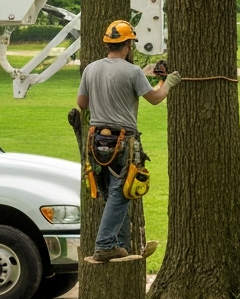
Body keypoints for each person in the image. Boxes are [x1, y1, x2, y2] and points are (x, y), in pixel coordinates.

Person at [77, 19, 180, 263]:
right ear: (128, 46)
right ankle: (104, 245)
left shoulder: (91, 69)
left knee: (112, 193)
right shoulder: (132, 72)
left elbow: (82, 104)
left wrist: (103, 102)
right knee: (121, 193)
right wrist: (167, 82)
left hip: (95, 141)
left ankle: (119, 245)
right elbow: (155, 98)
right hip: (122, 141)